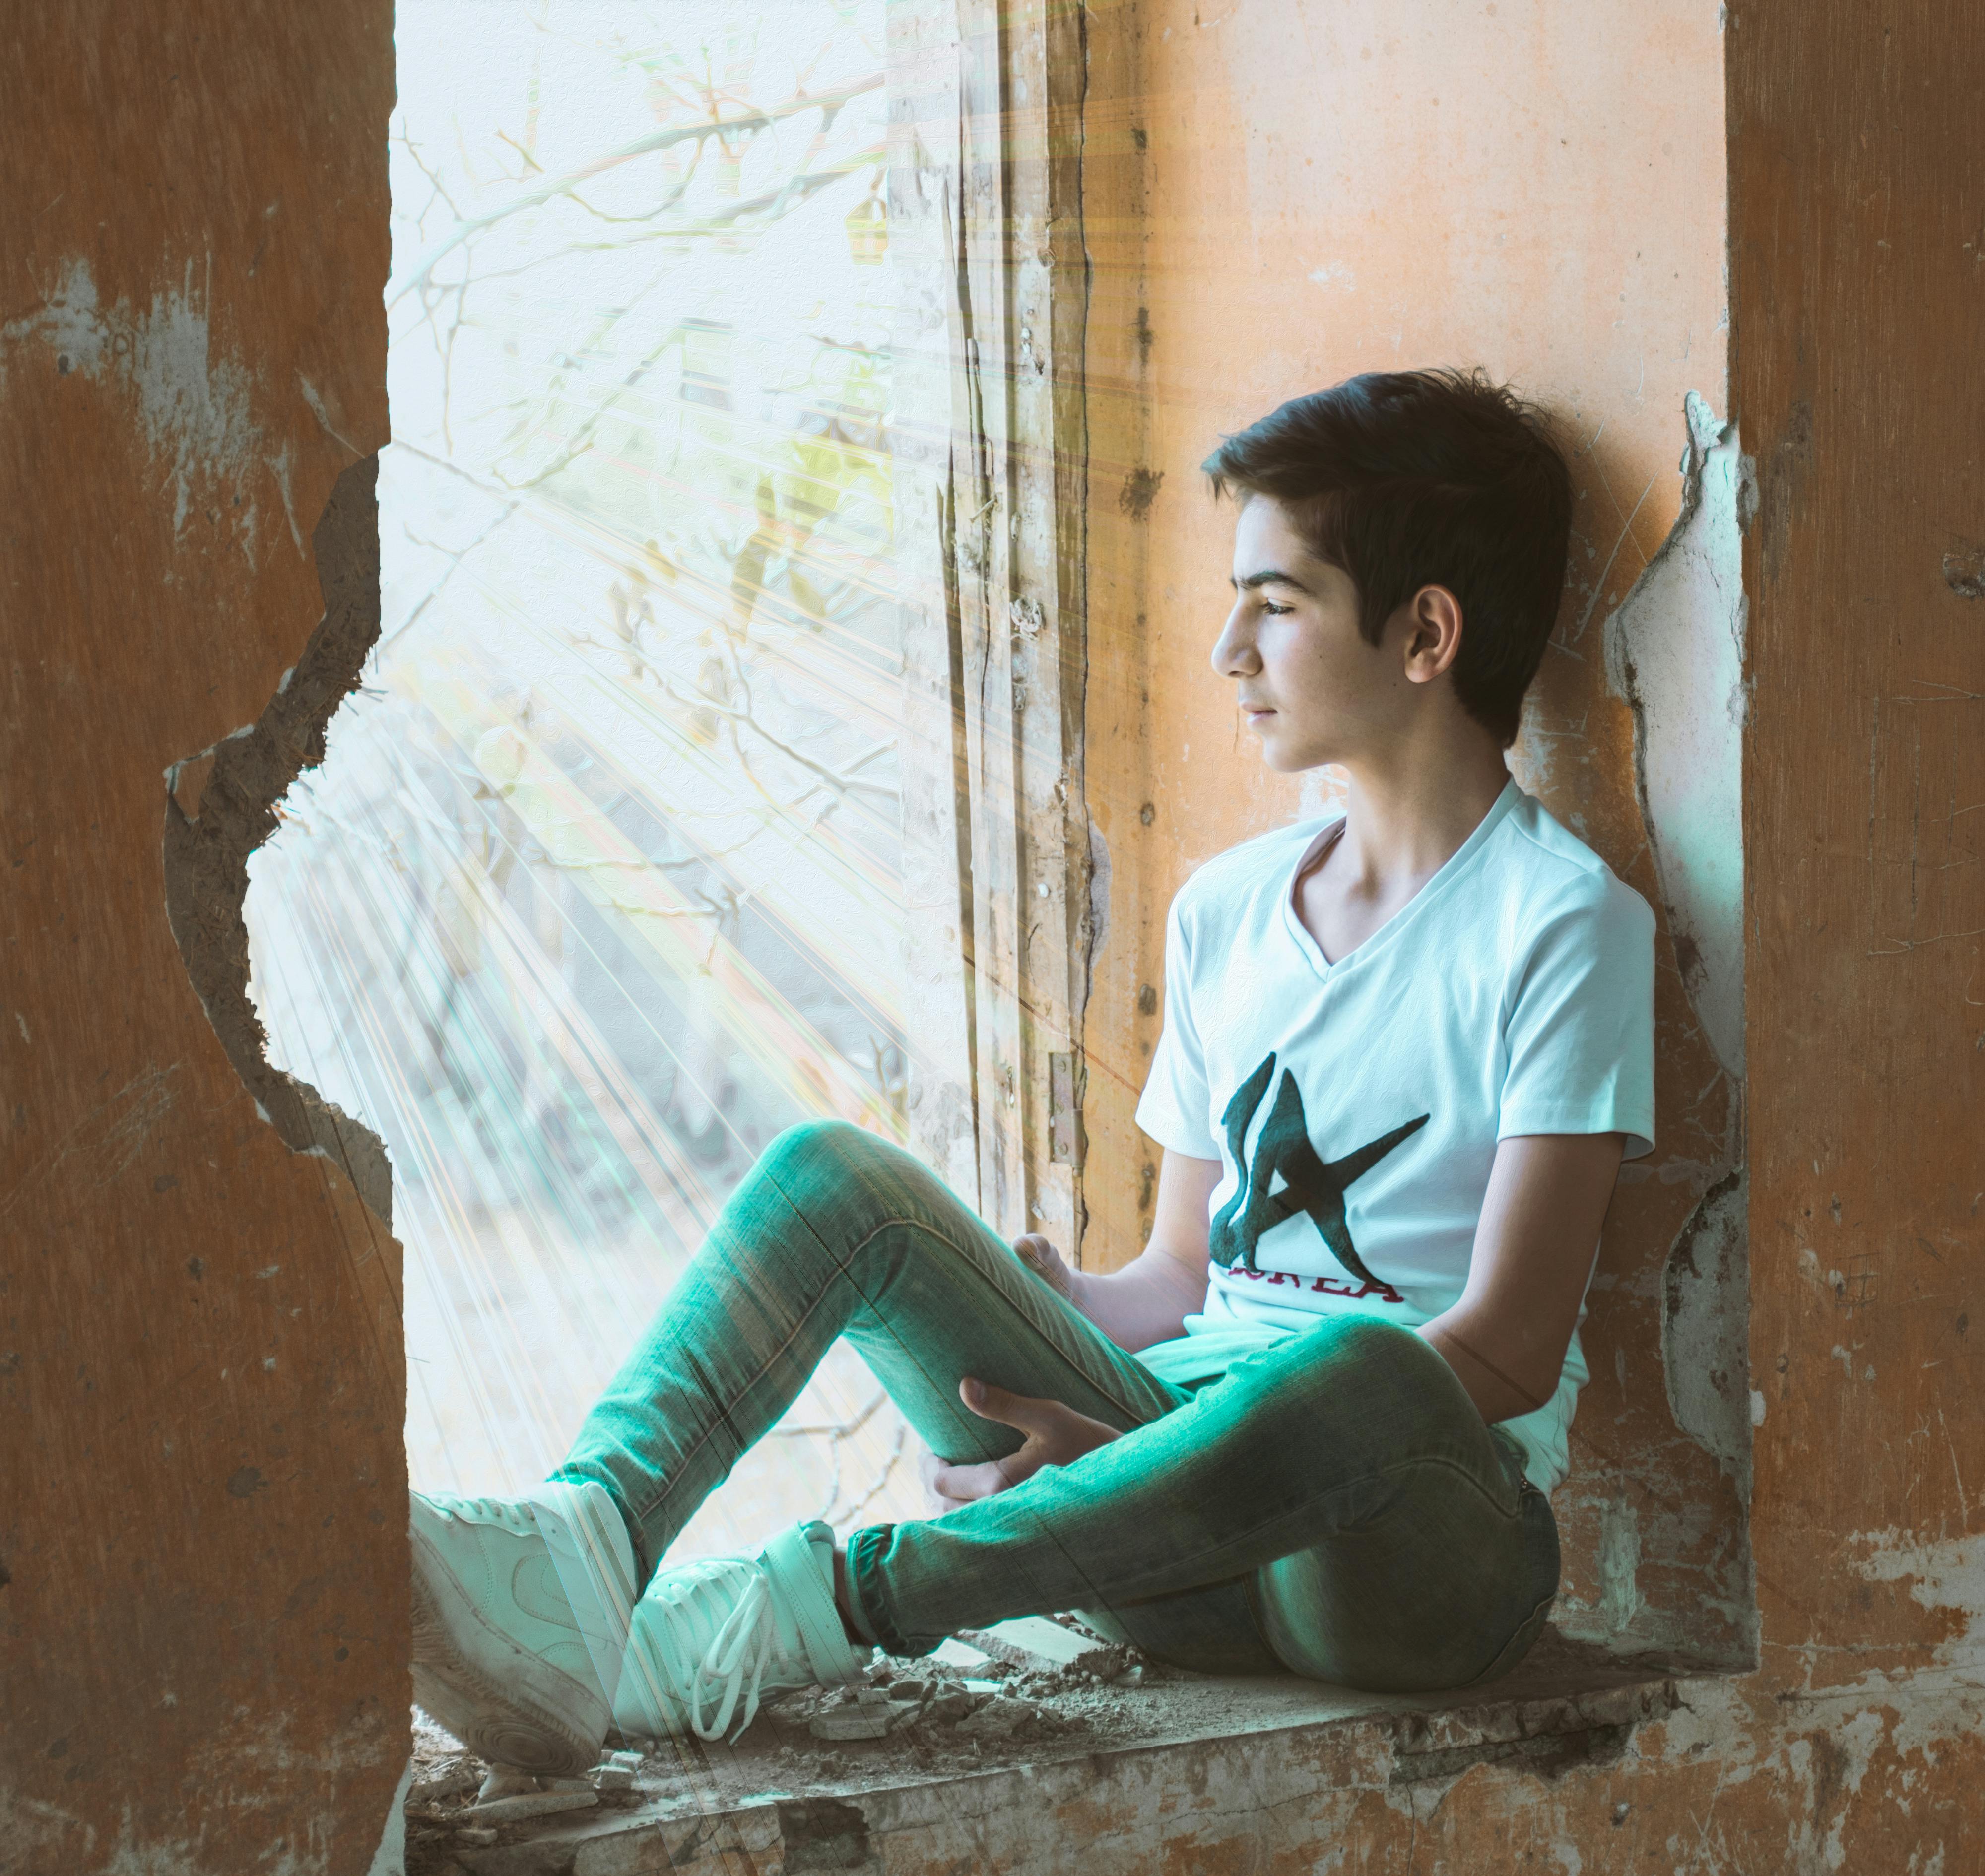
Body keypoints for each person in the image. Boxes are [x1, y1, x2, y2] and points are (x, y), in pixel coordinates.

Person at [407, 368, 1655, 1776]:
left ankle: (827, 1603)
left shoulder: (1563, 924)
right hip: (1174, 1521)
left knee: (1355, 1369)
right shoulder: (1229, 913)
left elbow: (1502, 1350)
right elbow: (1183, 1278)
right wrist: (1059, 1307)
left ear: (1426, 633)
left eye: (1279, 602)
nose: (1226, 650)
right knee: (841, 1183)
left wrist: (1156, 1460)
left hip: (1409, 1550)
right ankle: (582, 1557)